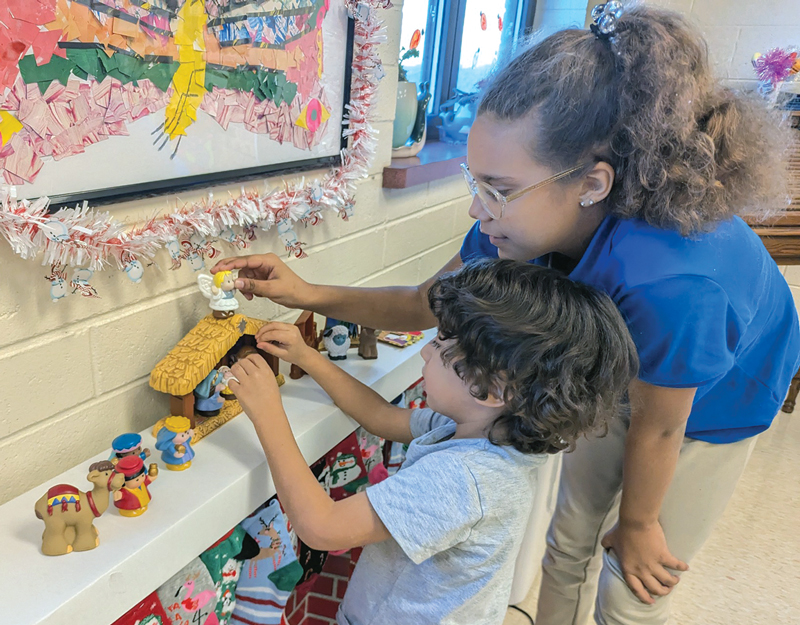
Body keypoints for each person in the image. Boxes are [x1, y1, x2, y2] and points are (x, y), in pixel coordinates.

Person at [213, 4, 800, 623]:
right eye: (474, 179)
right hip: (618, 360)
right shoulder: (511, 230)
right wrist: (310, 295)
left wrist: (640, 521)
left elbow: (658, 426)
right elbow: (424, 304)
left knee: (633, 578)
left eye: (497, 187)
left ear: (592, 184)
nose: (476, 208)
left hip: (709, 397)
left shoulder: (677, 281)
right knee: (570, 536)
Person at [228, 259, 638, 625]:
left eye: (441, 345)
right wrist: (307, 357)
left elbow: (321, 527)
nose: (426, 351)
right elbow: (383, 417)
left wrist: (267, 413)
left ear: (491, 388)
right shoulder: (490, 433)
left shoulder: (464, 478)